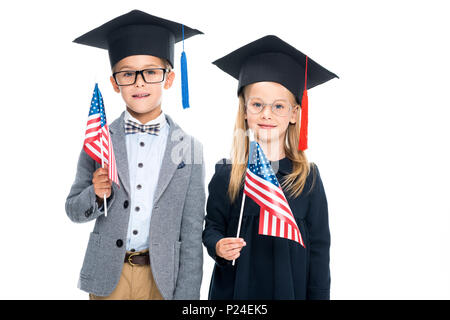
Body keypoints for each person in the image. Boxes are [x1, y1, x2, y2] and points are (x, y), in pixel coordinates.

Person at [65, 10, 205, 300]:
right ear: (115, 83)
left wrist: (187, 295)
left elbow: (192, 234)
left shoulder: (189, 148)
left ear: (168, 79)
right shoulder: (100, 142)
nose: (139, 83)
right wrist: (95, 193)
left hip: (162, 280)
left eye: (151, 72)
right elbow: (73, 209)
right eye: (127, 74)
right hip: (108, 278)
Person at [203, 35, 338, 299]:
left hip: (290, 290)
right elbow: (212, 227)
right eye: (257, 105)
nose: (267, 114)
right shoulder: (227, 174)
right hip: (235, 292)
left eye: (279, 106)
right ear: (244, 110)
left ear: (294, 114)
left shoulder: (307, 178)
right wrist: (218, 246)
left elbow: (320, 249)